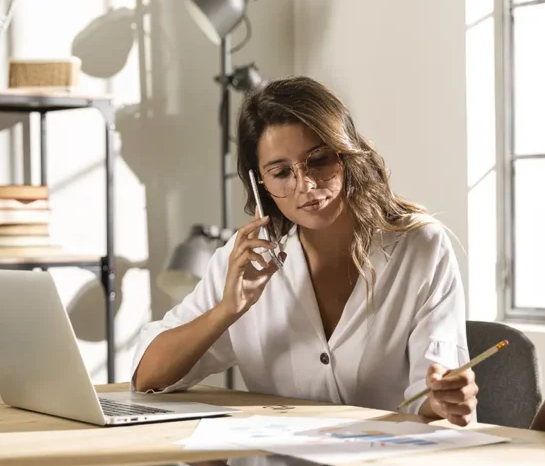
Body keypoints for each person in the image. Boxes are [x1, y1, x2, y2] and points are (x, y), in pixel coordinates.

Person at [131, 76, 477, 426]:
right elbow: (147, 378)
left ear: (345, 154)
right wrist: (227, 310)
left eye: (319, 160)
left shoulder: (419, 247)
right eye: (281, 172)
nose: (306, 185)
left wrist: (445, 399)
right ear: (260, 184)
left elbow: (432, 394)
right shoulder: (246, 261)